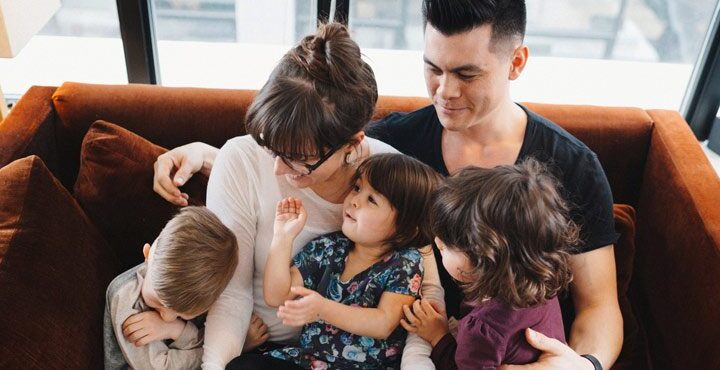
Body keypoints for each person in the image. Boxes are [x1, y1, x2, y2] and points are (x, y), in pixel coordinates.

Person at [153, 1, 623, 369]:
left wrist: (583, 366)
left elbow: (600, 305)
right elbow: (303, 157)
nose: (444, 92)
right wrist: (208, 154)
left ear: (516, 62)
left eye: (466, 73)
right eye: (433, 68)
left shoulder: (571, 166)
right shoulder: (395, 148)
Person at [153, 22, 444, 369]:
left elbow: (426, 297)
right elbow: (232, 295)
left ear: (352, 145)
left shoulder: (393, 178)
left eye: (300, 160)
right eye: (270, 146)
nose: (278, 170)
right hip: (282, 357)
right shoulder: (242, 162)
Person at [236, 154, 441, 369]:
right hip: (309, 361)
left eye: (372, 200)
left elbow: (383, 323)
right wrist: (282, 238)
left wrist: (322, 309)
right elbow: (276, 296)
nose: (354, 200)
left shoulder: (405, 262)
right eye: (357, 188)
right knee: (242, 366)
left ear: (405, 227)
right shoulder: (329, 247)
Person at [406, 159, 578, 369]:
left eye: (447, 245)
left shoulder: (483, 329)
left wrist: (438, 336)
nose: (437, 242)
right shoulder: (539, 281)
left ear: (487, 258)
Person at [103, 206, 239, 370]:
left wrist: (176, 330)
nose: (166, 317)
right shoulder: (126, 298)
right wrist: (226, 352)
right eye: (157, 301)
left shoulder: (201, 290)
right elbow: (162, 367)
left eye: (180, 314)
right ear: (147, 254)